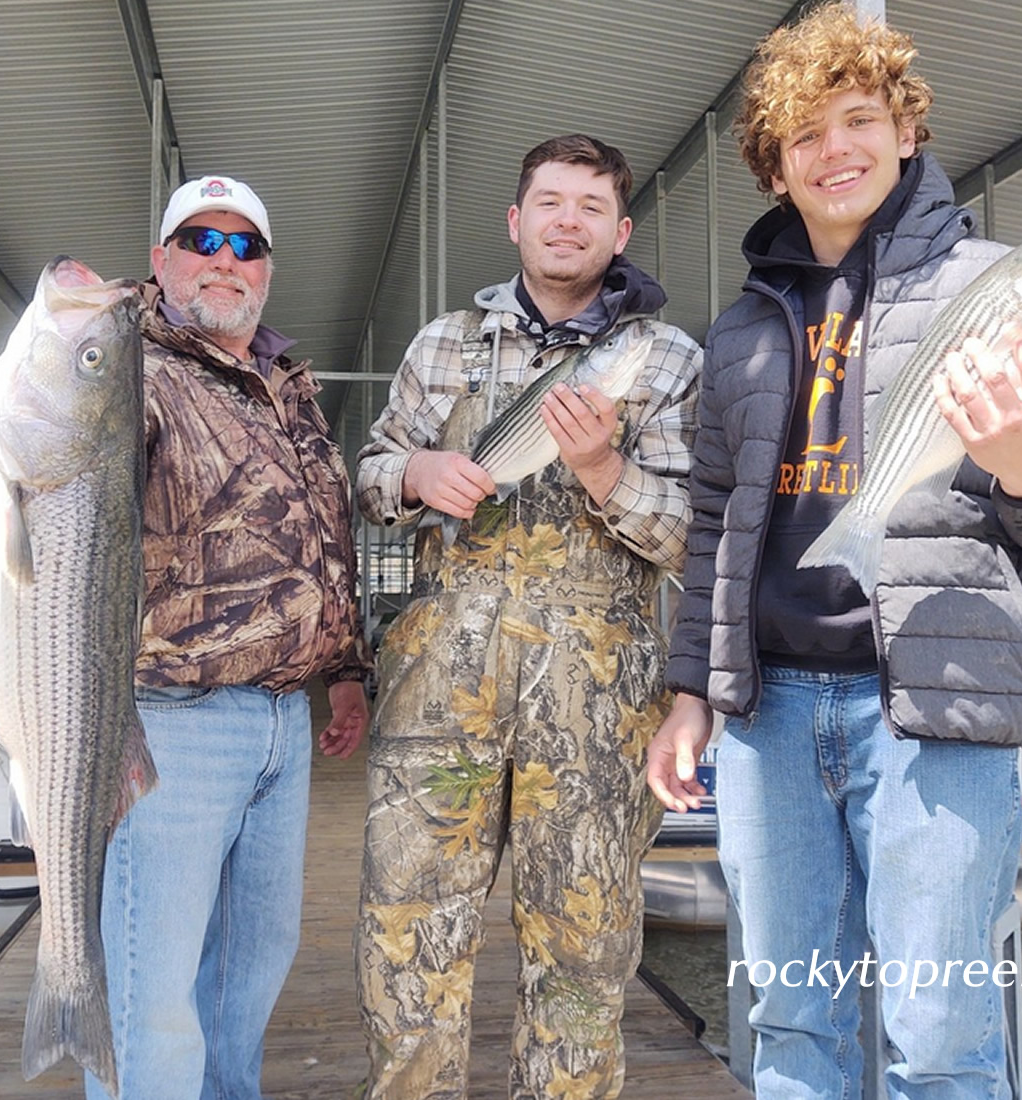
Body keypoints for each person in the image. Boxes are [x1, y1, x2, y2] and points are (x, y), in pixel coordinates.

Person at [646, 5, 1022, 1098]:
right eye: (804, 134)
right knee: (788, 1027)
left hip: (936, 711)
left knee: (939, 1038)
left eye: (857, 118)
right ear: (774, 167)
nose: (836, 151)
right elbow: (715, 524)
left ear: (906, 131)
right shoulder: (737, 330)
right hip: (767, 719)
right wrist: (690, 693)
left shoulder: (1003, 288)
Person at [354, 134, 703, 1098]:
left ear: (620, 230)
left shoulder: (665, 358)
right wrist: (416, 473)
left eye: (590, 207)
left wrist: (603, 471)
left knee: (583, 949)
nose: (567, 221)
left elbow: (689, 536)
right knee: (407, 934)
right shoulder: (442, 342)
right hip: (438, 700)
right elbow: (372, 475)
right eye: (549, 202)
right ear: (516, 221)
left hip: (596, 708)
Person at [84, 174, 371, 1100]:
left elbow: (328, 537)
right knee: (149, 990)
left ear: (267, 271)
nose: (223, 260)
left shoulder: (289, 388)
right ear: (162, 261)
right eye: (200, 241)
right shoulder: (130, 369)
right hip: (170, 720)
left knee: (247, 980)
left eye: (244, 245)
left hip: (285, 726)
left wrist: (348, 670)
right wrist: (86, 332)